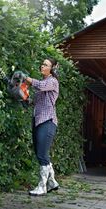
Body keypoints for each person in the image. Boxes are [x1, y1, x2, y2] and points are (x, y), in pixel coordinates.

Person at [24, 58, 60, 196]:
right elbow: (34, 101)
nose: (42, 65)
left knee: (41, 154)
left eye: (45, 64)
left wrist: (26, 79)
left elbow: (39, 85)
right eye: (42, 63)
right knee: (41, 153)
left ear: (51, 68)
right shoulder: (42, 84)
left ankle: (42, 186)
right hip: (38, 121)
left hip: (48, 121)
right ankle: (52, 182)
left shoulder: (52, 81)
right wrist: (25, 98)